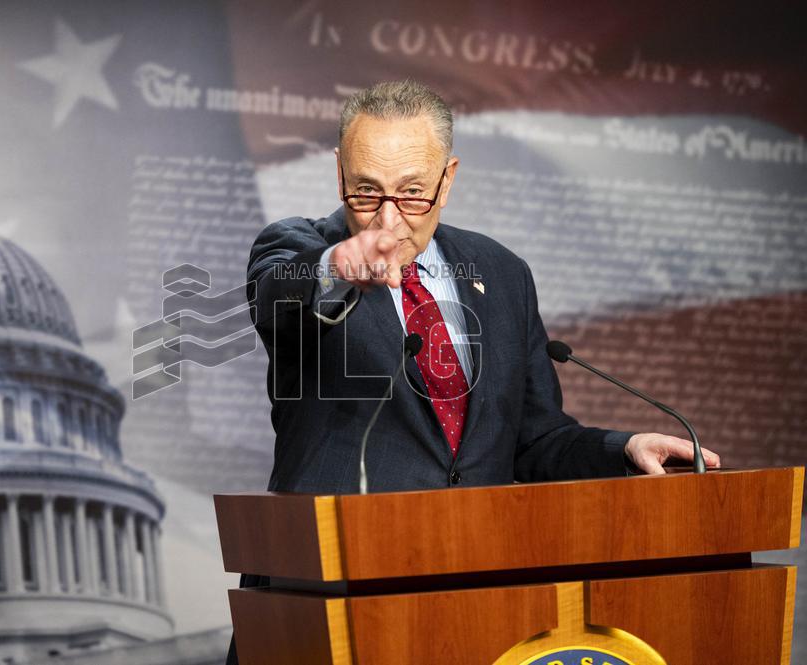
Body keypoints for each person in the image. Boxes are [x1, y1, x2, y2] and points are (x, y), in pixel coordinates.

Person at [226, 79, 719, 663]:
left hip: (471, 604)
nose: (389, 220)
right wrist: (338, 264)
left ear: (448, 177)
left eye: (413, 193)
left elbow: (536, 440)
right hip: (327, 603)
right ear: (339, 175)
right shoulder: (294, 246)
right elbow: (276, 293)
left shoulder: (502, 273)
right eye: (366, 192)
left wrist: (624, 447)